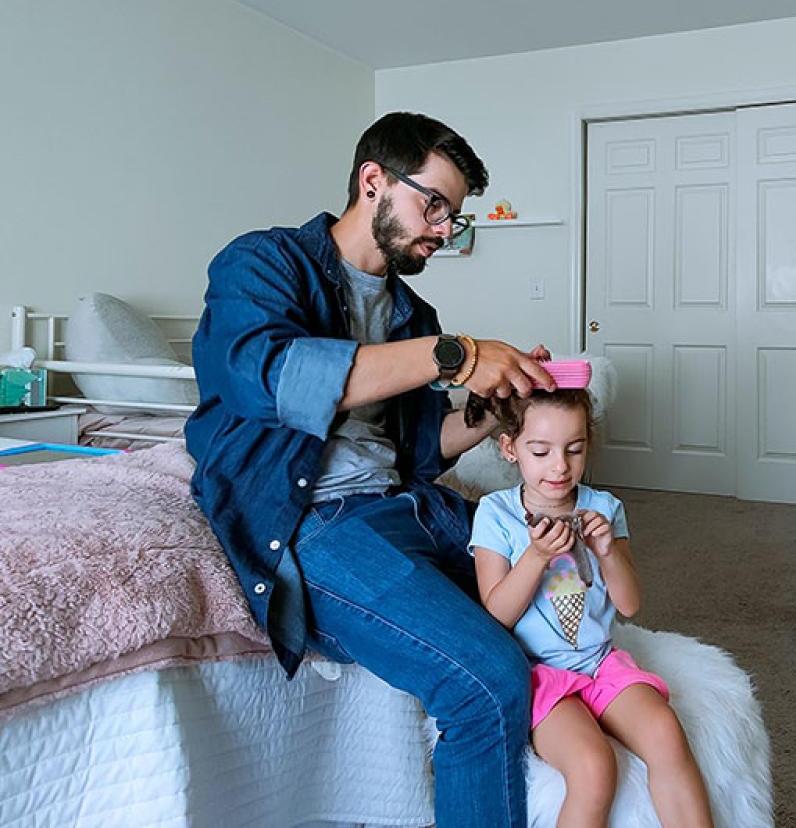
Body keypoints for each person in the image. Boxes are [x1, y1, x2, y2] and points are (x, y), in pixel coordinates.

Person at [185, 112, 555, 828]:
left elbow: (417, 449)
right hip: (317, 524)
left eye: (455, 214)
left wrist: (489, 413)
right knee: (487, 683)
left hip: (411, 506)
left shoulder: (412, 313)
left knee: (563, 599)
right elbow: (269, 376)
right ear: (373, 181)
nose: (445, 229)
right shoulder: (263, 263)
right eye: (435, 204)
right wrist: (458, 356)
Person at [470, 389, 715, 828]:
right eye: (541, 451)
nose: (559, 466)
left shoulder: (603, 508)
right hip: (536, 674)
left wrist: (607, 552)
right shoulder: (495, 513)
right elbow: (495, 617)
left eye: (575, 449)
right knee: (593, 766)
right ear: (510, 449)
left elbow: (629, 604)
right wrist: (536, 556)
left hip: (600, 663)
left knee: (666, 733)